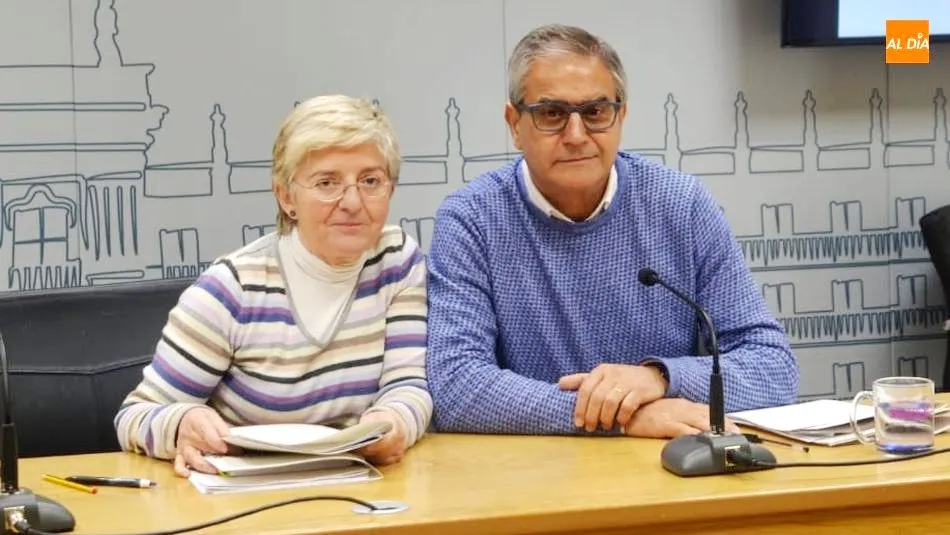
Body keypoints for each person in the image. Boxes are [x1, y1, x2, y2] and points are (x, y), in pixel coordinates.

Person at [425, 24, 799, 439]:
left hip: (671, 474)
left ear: (621, 116)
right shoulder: (472, 219)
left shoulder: (682, 205)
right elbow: (456, 385)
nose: (576, 135)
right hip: (535, 477)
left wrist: (660, 377)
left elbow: (773, 368)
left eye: (595, 112)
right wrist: (619, 416)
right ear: (514, 124)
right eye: (551, 114)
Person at [115, 94, 432, 476]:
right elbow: (135, 416)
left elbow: (409, 385)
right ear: (286, 197)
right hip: (248, 498)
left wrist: (393, 422)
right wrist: (181, 424)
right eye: (327, 182)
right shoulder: (233, 289)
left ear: (391, 190)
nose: (352, 201)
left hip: (360, 490)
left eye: (370, 181)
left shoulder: (397, 261)